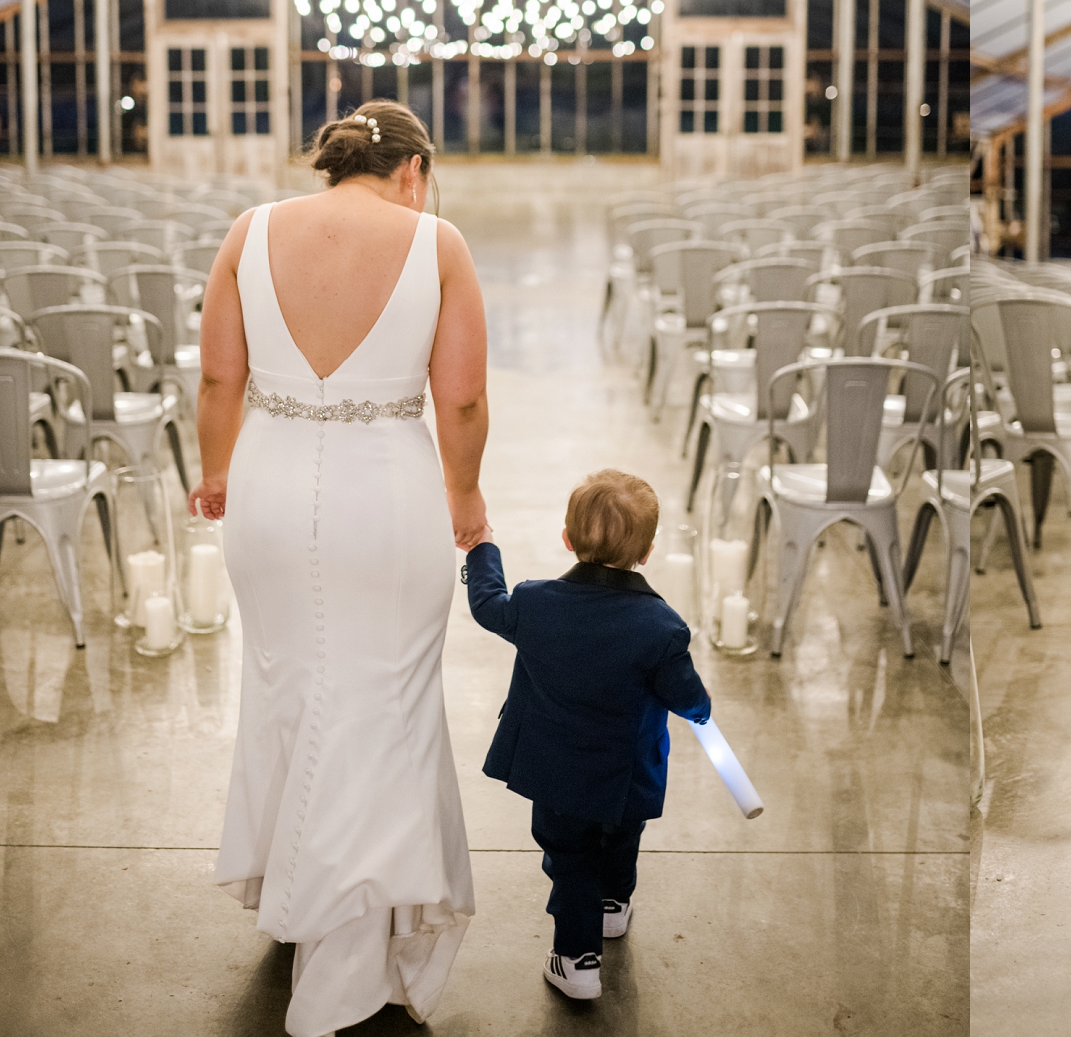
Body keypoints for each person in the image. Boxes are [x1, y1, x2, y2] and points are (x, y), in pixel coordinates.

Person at [189, 99, 488, 1037]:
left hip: (270, 488)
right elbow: (462, 399)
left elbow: (218, 378)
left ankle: (296, 895)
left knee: (288, 688)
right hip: (388, 497)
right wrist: (467, 496)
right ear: (413, 170)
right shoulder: (437, 243)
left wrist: (215, 471)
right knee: (382, 703)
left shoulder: (249, 230)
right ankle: (349, 954)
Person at [463, 469, 712, 1001]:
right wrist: (701, 709)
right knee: (621, 836)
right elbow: (687, 698)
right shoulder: (662, 626)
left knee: (572, 857)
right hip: (627, 773)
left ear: (567, 539)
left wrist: (482, 547)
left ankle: (577, 960)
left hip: (558, 773)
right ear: (646, 553)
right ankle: (613, 905)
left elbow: (487, 605)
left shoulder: (534, 604)